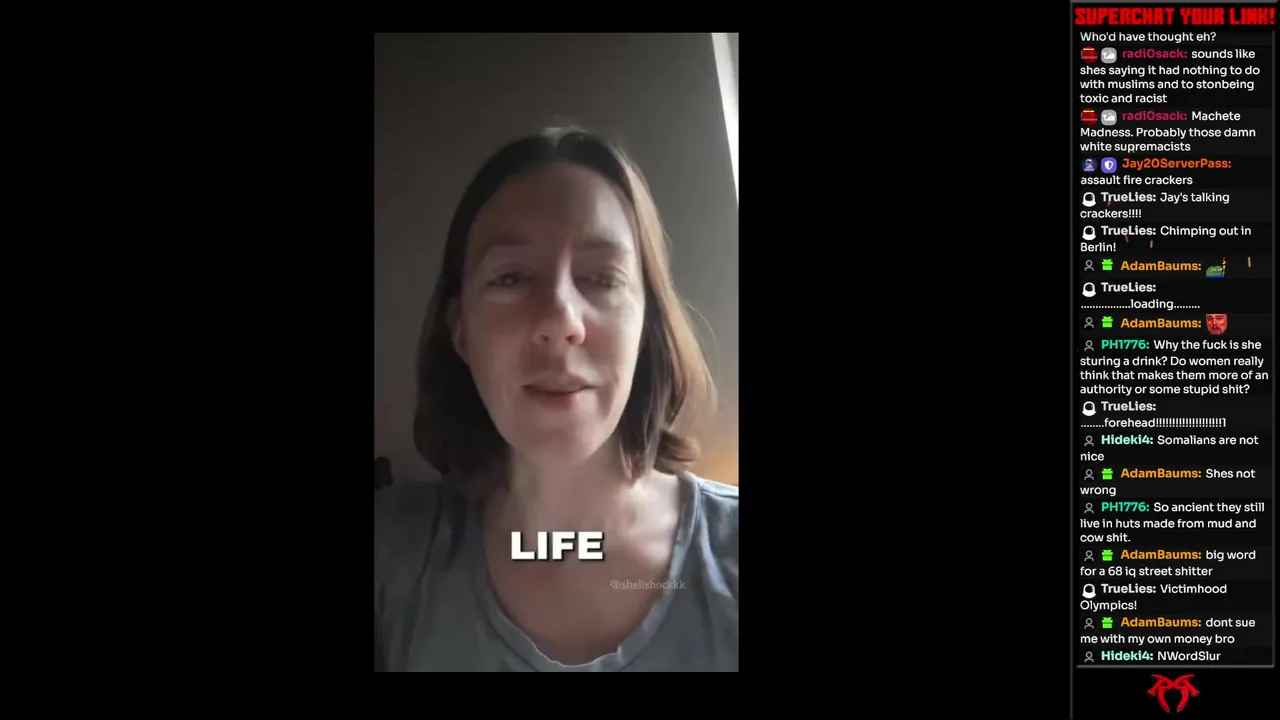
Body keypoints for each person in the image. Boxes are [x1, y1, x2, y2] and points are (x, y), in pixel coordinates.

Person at [374, 127, 738, 672]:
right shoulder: (391, 557)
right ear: (461, 332)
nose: (561, 319)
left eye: (602, 278)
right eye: (511, 277)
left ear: (646, 325)